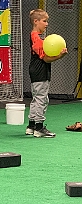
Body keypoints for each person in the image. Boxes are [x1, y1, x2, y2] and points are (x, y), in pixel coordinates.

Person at [26, 9, 68, 138]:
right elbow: (45, 58)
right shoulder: (36, 37)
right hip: (39, 71)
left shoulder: (38, 37)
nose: (47, 24)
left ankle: (31, 126)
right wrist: (60, 56)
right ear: (36, 21)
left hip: (37, 70)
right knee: (41, 99)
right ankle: (39, 127)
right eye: (44, 21)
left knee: (37, 98)